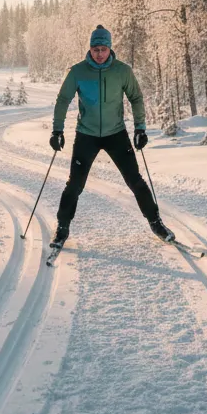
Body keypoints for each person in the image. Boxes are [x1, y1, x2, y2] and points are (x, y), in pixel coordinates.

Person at [49, 24, 174, 247]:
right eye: (95, 49)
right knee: (75, 184)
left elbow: (136, 97)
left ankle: (156, 223)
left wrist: (140, 128)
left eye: (103, 49)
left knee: (135, 180)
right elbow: (63, 100)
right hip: (86, 135)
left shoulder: (122, 71)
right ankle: (62, 228)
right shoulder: (77, 72)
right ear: (90, 49)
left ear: (110, 49)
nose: (99, 54)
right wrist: (57, 130)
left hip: (116, 134)